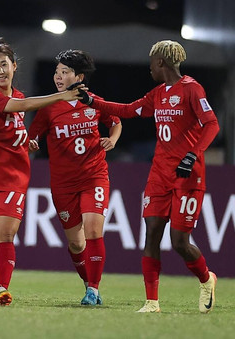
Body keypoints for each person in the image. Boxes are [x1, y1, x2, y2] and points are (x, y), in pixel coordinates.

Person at [78, 40, 219, 313]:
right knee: (152, 233)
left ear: (161, 63)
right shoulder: (158, 94)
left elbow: (211, 124)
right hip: (159, 174)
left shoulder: (192, 89)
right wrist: (93, 102)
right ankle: (152, 301)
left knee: (179, 242)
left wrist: (193, 155)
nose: (149, 67)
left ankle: (206, 279)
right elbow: (128, 110)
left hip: (187, 175)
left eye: (151, 62)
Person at [0, 37, 84, 306]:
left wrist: (26, 141)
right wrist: (63, 96)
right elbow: (22, 106)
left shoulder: (17, 96)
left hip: (13, 177)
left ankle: (2, 290)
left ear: (14, 66)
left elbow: (14, 125)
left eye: (4, 65)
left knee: (6, 234)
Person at [28, 49, 121, 305]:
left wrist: (111, 139)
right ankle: (88, 282)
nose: (58, 77)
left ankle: (93, 289)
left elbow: (115, 120)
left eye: (65, 72)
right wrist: (32, 143)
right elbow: (31, 136)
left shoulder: (93, 101)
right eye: (57, 72)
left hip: (94, 176)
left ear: (79, 76)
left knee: (93, 230)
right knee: (77, 244)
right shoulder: (49, 108)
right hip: (63, 183)